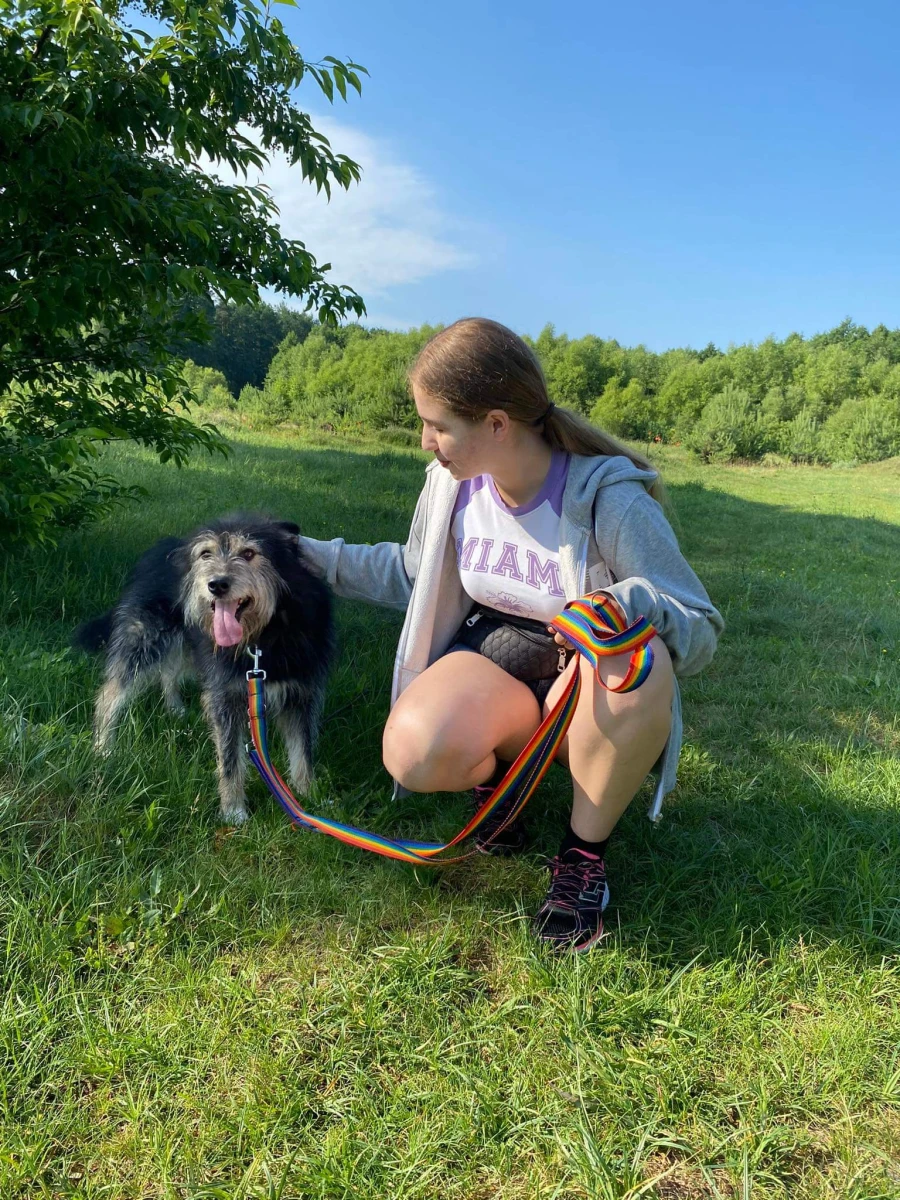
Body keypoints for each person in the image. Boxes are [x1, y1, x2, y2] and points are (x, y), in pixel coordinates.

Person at [299, 318, 724, 953]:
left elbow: (699, 623)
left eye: (438, 426)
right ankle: (500, 784)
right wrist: (302, 556)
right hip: (496, 655)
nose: (426, 442)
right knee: (412, 752)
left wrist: (623, 604)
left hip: (587, 688)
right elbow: (413, 573)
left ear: (497, 424)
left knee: (637, 661)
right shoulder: (452, 486)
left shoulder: (609, 500)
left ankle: (582, 858)